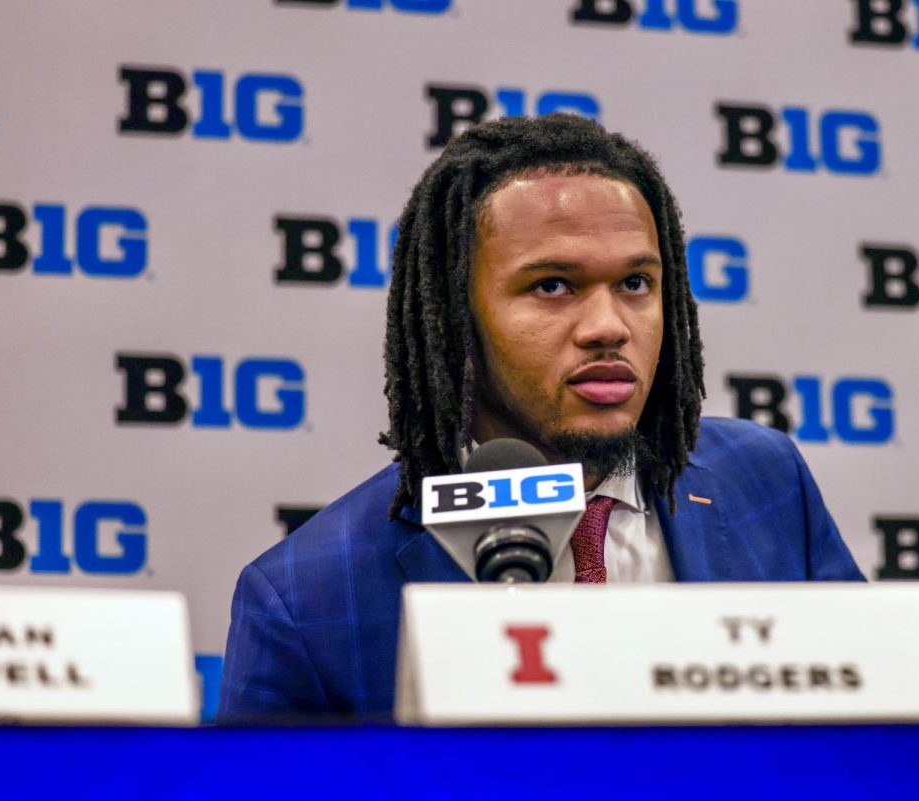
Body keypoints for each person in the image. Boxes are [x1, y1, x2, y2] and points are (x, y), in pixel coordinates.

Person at [218, 114, 863, 721]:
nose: (609, 327)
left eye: (636, 283)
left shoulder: (766, 481)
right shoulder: (306, 602)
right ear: (456, 317)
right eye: (553, 285)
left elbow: (880, 747)